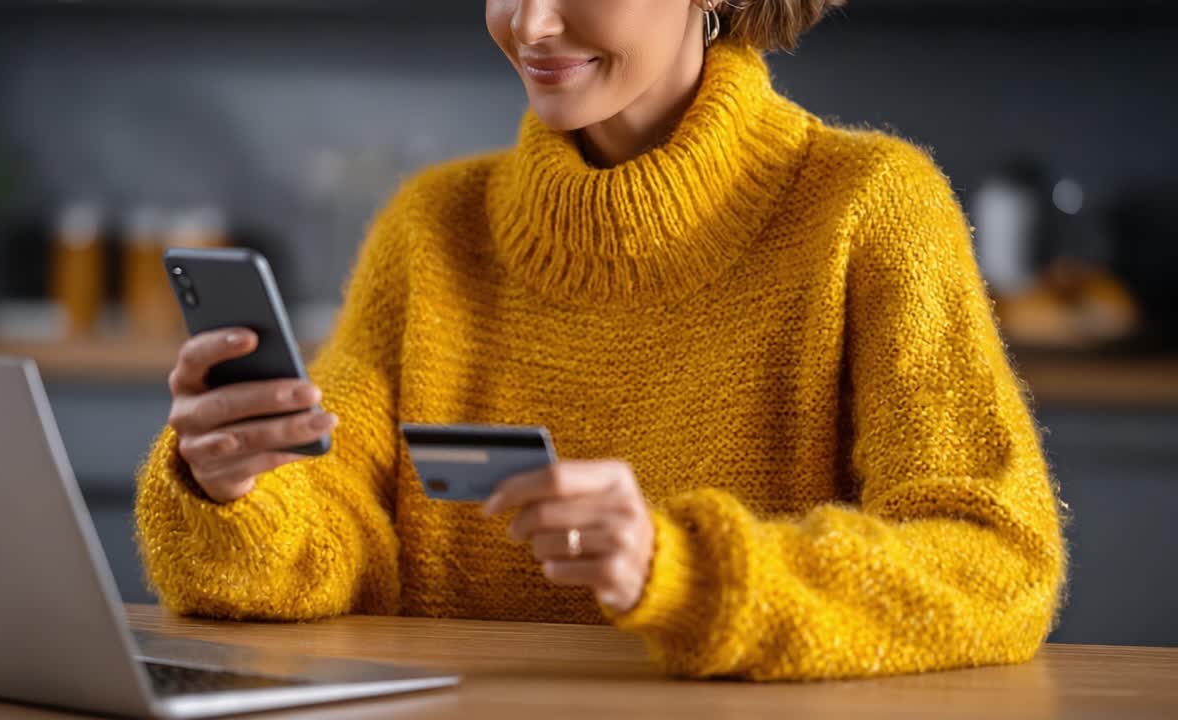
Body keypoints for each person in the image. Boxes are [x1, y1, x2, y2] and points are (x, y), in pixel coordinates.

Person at [136, 0, 1067, 681]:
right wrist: (236, 488)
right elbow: (332, 540)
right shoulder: (432, 228)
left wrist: (688, 572)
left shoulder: (869, 210)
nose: (531, 24)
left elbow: (996, 564)